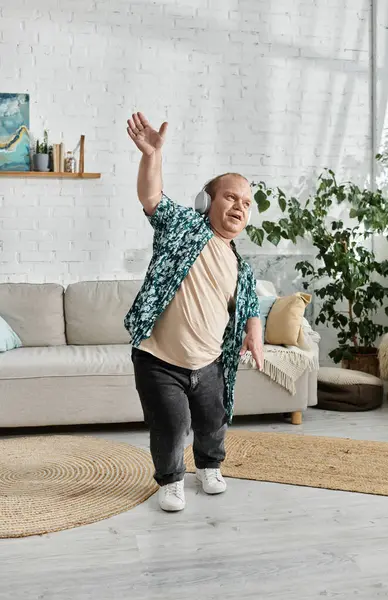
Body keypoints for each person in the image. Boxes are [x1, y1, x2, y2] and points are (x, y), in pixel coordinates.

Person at [124, 112, 263, 512]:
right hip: (159, 359)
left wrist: (255, 330)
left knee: (213, 422)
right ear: (208, 200)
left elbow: (250, 301)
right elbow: (152, 197)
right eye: (231, 196)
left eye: (246, 202)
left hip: (210, 363)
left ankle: (208, 466)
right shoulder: (184, 227)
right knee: (171, 426)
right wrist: (152, 155)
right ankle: (170, 480)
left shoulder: (241, 265)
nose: (239, 205)